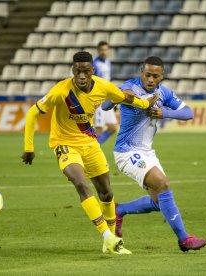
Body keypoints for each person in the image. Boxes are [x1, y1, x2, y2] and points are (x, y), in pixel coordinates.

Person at [21, 51, 158, 254]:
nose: (82, 76)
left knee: (106, 193)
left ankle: (111, 245)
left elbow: (125, 98)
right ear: (73, 71)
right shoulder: (60, 91)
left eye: (86, 71)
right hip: (65, 144)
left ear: (92, 71)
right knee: (81, 184)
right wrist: (29, 148)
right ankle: (108, 236)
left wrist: (146, 103)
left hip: (90, 144)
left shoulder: (103, 86)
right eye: (78, 72)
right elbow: (33, 112)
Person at [101, 56, 206, 252]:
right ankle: (184, 239)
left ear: (161, 77)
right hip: (127, 151)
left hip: (147, 152)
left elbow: (188, 113)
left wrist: (165, 113)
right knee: (164, 184)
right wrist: (119, 96)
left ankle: (119, 210)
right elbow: (105, 105)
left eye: (155, 76)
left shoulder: (163, 93)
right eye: (147, 75)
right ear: (141, 72)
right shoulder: (130, 87)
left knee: (160, 201)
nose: (150, 79)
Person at [93, 41, 118, 144]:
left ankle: (95, 147)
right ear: (98, 51)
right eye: (102, 50)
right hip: (98, 99)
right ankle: (93, 154)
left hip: (107, 99)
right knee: (99, 128)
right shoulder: (94, 64)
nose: (104, 52)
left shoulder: (108, 62)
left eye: (106, 50)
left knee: (112, 127)